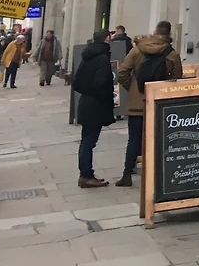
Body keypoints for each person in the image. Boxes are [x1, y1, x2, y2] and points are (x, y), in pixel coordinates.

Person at [115, 20, 182, 187]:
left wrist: (132, 88)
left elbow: (122, 72)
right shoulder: (172, 54)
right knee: (159, 140)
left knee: (134, 139)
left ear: (154, 31)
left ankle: (127, 174)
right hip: (159, 103)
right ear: (169, 34)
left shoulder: (137, 48)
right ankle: (158, 176)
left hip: (137, 103)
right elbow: (177, 79)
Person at [73, 29, 116, 187]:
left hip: (86, 102)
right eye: (110, 37)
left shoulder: (88, 56)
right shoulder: (102, 58)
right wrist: (106, 96)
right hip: (96, 106)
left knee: (86, 140)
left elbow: (77, 82)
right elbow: (101, 83)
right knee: (89, 141)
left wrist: (88, 91)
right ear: (106, 39)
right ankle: (86, 175)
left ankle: (86, 174)